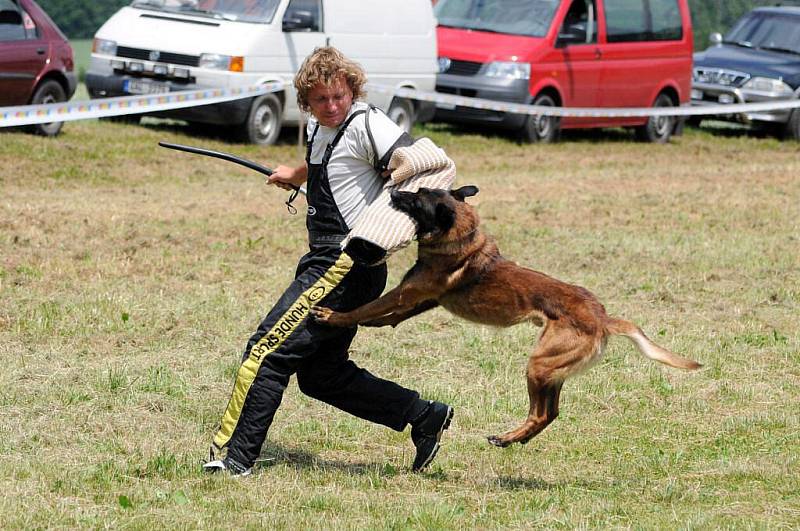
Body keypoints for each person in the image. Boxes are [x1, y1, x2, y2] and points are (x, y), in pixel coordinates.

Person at [203, 47, 453, 477]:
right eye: (321, 100)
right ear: (307, 104)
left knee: (265, 352)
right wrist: (295, 174)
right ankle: (422, 415)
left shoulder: (366, 122)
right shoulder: (319, 131)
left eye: (338, 96)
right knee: (321, 375)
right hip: (328, 263)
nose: (332, 106)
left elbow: (415, 161)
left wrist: (390, 217)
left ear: (351, 90)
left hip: (344, 263)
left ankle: (233, 459)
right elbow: (331, 162)